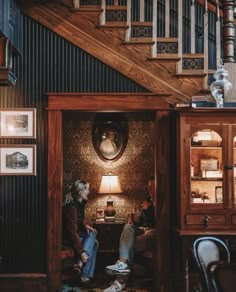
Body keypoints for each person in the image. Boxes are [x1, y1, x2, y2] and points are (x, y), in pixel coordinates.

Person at [103, 177, 156, 292]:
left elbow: (156, 221)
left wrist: (148, 209)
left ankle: (120, 281)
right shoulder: (148, 200)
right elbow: (142, 221)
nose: (150, 189)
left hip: (155, 231)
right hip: (143, 229)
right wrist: (135, 219)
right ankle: (122, 262)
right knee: (127, 227)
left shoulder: (161, 201)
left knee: (127, 246)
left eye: (152, 187)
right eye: (149, 187)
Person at [62, 179, 99, 287]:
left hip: (78, 235)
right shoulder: (71, 207)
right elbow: (72, 233)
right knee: (93, 237)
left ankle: (81, 268)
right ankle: (84, 273)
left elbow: (79, 220)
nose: (89, 192)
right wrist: (81, 252)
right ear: (80, 192)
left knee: (94, 240)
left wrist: (86, 225)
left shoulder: (79, 204)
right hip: (68, 239)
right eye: (87, 189)